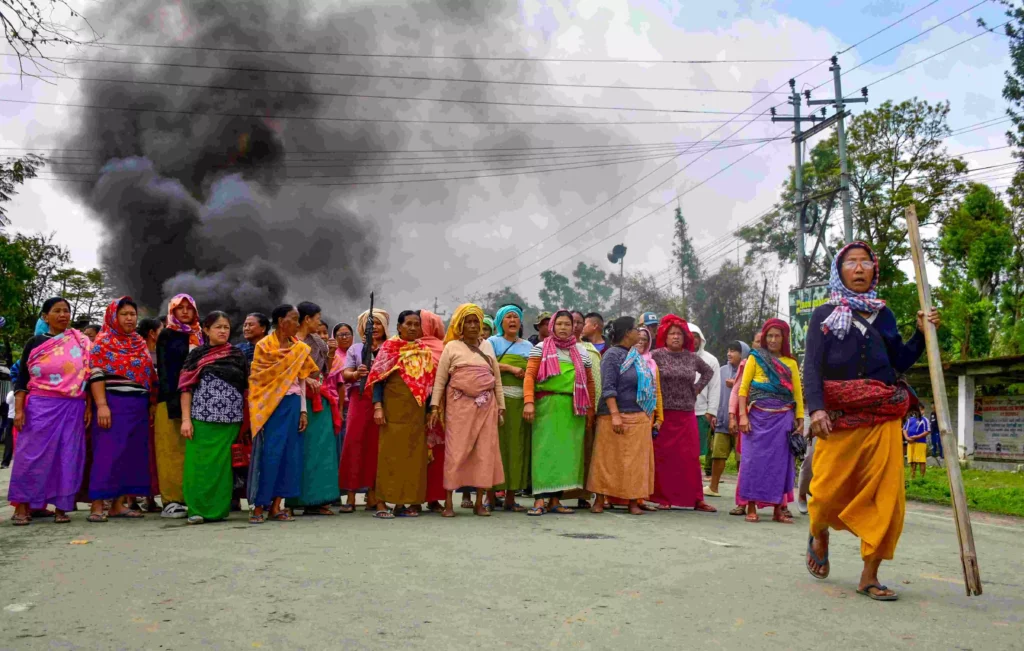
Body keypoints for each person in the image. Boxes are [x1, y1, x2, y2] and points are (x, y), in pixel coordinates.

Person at [804, 241, 938, 601]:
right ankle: (819, 533)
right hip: (837, 417)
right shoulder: (823, 314)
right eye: (852, 262)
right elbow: (812, 366)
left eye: (866, 262)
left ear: (874, 270)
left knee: (887, 497)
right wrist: (815, 409)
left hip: (883, 414)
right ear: (839, 270)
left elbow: (901, 360)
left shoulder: (885, 314)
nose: (860, 268)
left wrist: (923, 335)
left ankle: (870, 574)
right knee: (825, 494)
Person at [8, 297, 92, 525]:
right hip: (40, 406)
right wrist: (19, 410)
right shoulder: (35, 342)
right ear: (45, 316)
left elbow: (89, 376)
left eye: (66, 311)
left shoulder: (80, 342)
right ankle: (23, 506)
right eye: (57, 311)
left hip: (73, 407)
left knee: (67, 456)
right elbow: (22, 379)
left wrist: (89, 406)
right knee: (31, 456)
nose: (63, 315)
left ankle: (61, 507)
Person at [428, 303, 505, 518]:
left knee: (484, 452)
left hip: (487, 406)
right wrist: (435, 406)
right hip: (458, 407)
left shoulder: (488, 346)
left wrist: (501, 407)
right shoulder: (451, 347)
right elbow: (441, 380)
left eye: (476, 322)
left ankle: (480, 503)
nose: (472, 326)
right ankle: (449, 504)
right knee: (455, 452)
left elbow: (496, 379)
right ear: (460, 325)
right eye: (468, 322)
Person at [87, 296, 158, 522]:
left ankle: (117, 505)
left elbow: (149, 376)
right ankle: (97, 506)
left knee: (129, 455)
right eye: (124, 314)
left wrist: (151, 404)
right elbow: (95, 374)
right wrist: (101, 406)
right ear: (113, 316)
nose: (129, 318)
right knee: (107, 454)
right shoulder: (103, 342)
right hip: (112, 403)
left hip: (137, 405)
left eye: (132, 314)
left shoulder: (138, 342)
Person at [247, 304, 319, 524]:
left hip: (293, 404)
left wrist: (303, 411)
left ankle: (277, 506)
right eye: (294, 319)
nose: (298, 324)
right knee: (270, 454)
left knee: (291, 455)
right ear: (281, 321)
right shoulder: (264, 346)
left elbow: (301, 381)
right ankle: (259, 505)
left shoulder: (299, 348)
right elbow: (257, 381)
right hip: (269, 407)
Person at [522, 309, 595, 516]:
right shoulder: (539, 348)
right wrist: (529, 402)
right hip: (546, 406)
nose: (563, 328)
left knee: (566, 455)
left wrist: (590, 409)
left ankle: (555, 500)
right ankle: (539, 500)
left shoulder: (581, 352)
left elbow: (589, 382)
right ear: (552, 326)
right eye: (559, 324)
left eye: (567, 324)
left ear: (574, 327)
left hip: (573, 409)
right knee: (543, 452)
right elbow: (529, 377)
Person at [178, 311, 249, 525]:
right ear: (206, 330)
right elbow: (186, 388)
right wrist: (185, 420)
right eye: (218, 327)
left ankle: (218, 510)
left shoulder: (237, 355)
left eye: (226, 327)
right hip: (201, 419)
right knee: (198, 466)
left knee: (222, 467)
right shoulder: (196, 354)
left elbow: (247, 388)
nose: (223, 331)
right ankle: (197, 509)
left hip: (231, 421)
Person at [369, 310, 435, 519]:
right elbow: (377, 379)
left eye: (417, 324)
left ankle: (402, 504)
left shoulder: (425, 351)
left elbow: (428, 385)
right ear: (399, 327)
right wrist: (378, 406)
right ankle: (380, 502)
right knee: (389, 455)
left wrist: (430, 410)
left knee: (413, 458)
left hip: (416, 412)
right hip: (392, 409)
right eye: (409, 324)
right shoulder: (389, 348)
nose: (413, 328)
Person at [588, 317, 656, 516]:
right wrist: (615, 414)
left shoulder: (636, 356)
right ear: (627, 333)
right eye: (636, 329)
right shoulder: (612, 355)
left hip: (638, 416)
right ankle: (600, 499)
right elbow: (608, 387)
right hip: (612, 415)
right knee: (606, 460)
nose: (639, 333)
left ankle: (633, 501)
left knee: (635, 463)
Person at [737, 319, 803, 524]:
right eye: (770, 336)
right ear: (764, 338)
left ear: (784, 339)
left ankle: (778, 509)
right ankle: (750, 505)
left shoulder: (791, 363)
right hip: (757, 418)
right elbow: (743, 389)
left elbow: (798, 395)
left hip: (783, 419)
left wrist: (799, 419)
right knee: (752, 462)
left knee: (780, 465)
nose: (773, 340)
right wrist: (742, 415)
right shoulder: (755, 359)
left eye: (777, 336)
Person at [649, 315, 717, 512]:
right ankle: (663, 497)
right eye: (672, 334)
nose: (676, 337)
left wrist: (696, 389)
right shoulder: (656, 355)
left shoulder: (691, 357)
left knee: (689, 457)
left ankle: (696, 498)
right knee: (663, 457)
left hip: (686, 413)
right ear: (665, 336)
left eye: (679, 334)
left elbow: (708, 372)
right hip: (663, 414)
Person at [154, 293, 203, 519]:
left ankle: (191, 496)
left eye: (189, 308)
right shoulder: (167, 335)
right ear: (172, 311)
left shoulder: (201, 335)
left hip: (198, 400)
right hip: (171, 399)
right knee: (171, 451)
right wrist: (174, 401)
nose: (184, 312)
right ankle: (172, 501)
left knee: (191, 452)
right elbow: (166, 371)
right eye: (179, 308)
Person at [288, 302, 339, 515]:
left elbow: (324, 372)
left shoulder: (318, 342)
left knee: (321, 450)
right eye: (317, 318)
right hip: (296, 399)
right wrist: (305, 379)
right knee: (298, 449)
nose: (320, 322)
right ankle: (292, 500)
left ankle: (319, 500)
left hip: (319, 401)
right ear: (307, 319)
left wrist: (331, 354)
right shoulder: (288, 341)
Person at [339, 308, 390, 512]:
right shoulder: (356, 349)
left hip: (385, 402)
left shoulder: (390, 348)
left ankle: (373, 494)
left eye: (378, 323)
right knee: (354, 444)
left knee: (377, 448)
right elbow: (345, 374)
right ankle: (350, 496)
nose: (374, 327)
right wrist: (356, 374)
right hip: (359, 401)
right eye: (371, 324)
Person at [488, 304, 533, 512]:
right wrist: (508, 367)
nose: (513, 320)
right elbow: (485, 365)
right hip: (497, 402)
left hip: (519, 403)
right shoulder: (491, 342)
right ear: (500, 322)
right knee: (495, 447)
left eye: (516, 317)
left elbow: (533, 373)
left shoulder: (528, 347)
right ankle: (490, 496)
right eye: (508, 317)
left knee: (517, 447)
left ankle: (510, 497)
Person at [707, 341, 749, 497]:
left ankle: (742, 491)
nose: (729, 354)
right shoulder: (722, 370)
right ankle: (713, 487)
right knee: (718, 454)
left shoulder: (749, 369)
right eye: (728, 350)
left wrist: (737, 385)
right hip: (722, 419)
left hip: (742, 422)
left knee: (741, 458)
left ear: (743, 353)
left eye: (734, 351)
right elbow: (715, 392)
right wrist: (714, 412)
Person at [418, 310, 448, 513]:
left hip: (439, 407)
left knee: (437, 453)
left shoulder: (445, 348)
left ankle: (434, 497)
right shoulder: (406, 346)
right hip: (414, 407)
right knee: (416, 453)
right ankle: (415, 495)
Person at [687, 324, 720, 479]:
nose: (693, 340)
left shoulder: (710, 360)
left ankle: (693, 481)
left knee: (696, 452)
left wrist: (711, 412)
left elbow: (715, 387)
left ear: (701, 339)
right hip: (679, 411)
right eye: (690, 336)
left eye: (696, 336)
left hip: (700, 412)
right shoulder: (675, 356)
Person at [904, 410, 929, 478]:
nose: (919, 411)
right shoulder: (910, 419)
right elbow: (904, 429)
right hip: (911, 442)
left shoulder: (925, 420)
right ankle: (912, 476)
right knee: (912, 461)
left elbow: (927, 431)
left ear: (923, 410)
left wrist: (918, 436)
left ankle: (922, 478)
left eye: (920, 409)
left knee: (921, 461)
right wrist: (907, 438)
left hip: (920, 442)